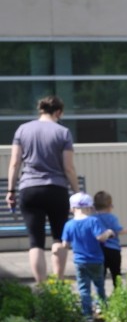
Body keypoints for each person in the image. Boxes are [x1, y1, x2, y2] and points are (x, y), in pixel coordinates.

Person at [5, 95, 80, 284]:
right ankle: (59, 282)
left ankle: (42, 287)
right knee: (58, 237)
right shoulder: (63, 132)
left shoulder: (23, 130)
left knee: (35, 241)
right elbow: (68, 168)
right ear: (58, 112)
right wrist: (77, 192)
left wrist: (11, 191)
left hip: (29, 189)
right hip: (56, 189)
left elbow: (14, 163)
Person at [60, 191, 111, 320]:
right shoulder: (93, 221)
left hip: (79, 261)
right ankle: (102, 308)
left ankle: (87, 314)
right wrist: (109, 232)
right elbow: (100, 237)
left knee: (83, 288)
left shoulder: (69, 225)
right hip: (96, 260)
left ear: (72, 208)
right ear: (89, 207)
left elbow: (65, 245)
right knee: (99, 285)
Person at [93, 190, 127, 288]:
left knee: (101, 274)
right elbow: (118, 230)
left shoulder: (93, 218)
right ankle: (118, 293)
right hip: (114, 250)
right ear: (109, 206)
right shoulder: (112, 218)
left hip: (100, 250)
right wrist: (126, 230)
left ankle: (101, 296)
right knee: (116, 273)